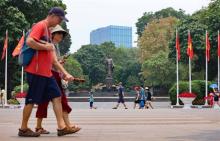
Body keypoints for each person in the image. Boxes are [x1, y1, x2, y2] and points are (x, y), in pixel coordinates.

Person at [18, 7, 76, 137]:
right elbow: (30, 41)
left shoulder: (48, 32)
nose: (59, 22)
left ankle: (61, 127)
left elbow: (53, 60)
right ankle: (23, 128)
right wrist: (45, 46)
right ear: (53, 15)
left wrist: (65, 73)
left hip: (47, 73)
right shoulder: (40, 25)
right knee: (31, 100)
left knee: (57, 96)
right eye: (59, 19)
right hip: (36, 71)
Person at [35, 25, 81, 134]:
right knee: (61, 99)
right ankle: (66, 126)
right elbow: (53, 62)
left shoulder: (54, 46)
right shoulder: (51, 45)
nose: (61, 35)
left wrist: (59, 64)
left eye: (62, 34)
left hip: (46, 74)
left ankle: (39, 127)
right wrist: (65, 72)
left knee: (44, 101)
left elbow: (52, 62)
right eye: (59, 33)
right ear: (53, 34)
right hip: (51, 75)